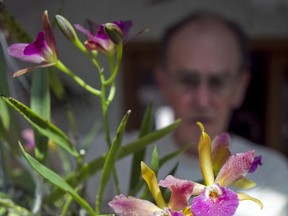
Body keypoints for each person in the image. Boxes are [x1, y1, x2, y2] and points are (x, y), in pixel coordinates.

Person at [152, 11, 288, 216]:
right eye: (187, 80)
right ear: (163, 84)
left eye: (218, 82)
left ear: (240, 87)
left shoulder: (275, 174)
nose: (202, 100)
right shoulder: (115, 161)